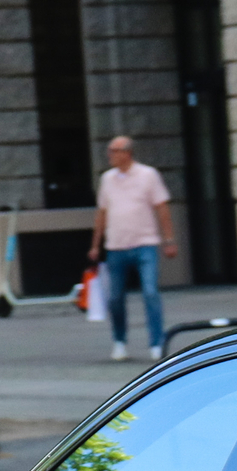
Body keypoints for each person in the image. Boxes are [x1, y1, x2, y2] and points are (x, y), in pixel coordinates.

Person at [87, 135, 176, 362]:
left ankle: (156, 342)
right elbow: (102, 213)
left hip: (145, 243)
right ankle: (119, 341)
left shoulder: (148, 175)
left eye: (113, 151)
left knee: (150, 292)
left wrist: (169, 239)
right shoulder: (107, 179)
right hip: (116, 245)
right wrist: (95, 244)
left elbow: (161, 207)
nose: (110, 156)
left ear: (127, 153)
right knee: (115, 297)